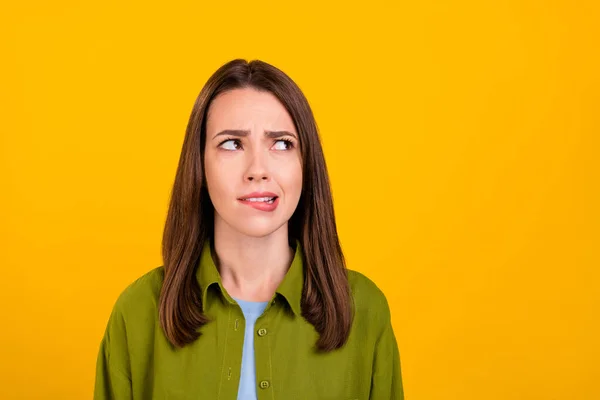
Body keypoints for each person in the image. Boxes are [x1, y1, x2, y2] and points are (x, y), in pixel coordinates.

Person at [94, 58, 404, 400]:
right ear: (199, 165)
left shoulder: (363, 309)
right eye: (232, 143)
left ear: (305, 164)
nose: (258, 169)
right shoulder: (138, 311)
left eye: (282, 143)